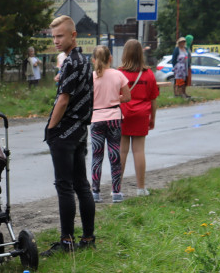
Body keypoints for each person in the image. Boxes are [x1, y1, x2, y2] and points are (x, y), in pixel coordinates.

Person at [41, 15, 94, 257]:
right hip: (81, 130)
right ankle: (88, 237)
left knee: (64, 186)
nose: (56, 41)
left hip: (65, 132)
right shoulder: (85, 60)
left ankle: (67, 241)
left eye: (60, 36)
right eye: (53, 37)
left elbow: (63, 99)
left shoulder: (71, 62)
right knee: (82, 185)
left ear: (73, 35)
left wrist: (51, 129)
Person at [89, 46, 131, 203]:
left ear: (93, 60)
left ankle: (95, 193)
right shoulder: (118, 75)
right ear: (110, 58)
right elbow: (127, 96)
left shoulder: (91, 77)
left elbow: (87, 98)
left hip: (96, 118)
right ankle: (116, 193)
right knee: (115, 155)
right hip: (114, 117)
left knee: (96, 156)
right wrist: (114, 98)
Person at [118, 39, 159, 197]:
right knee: (139, 151)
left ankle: (117, 188)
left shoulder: (119, 73)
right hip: (142, 114)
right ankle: (141, 188)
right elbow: (153, 98)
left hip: (123, 114)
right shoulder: (148, 74)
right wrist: (152, 118)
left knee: (122, 151)